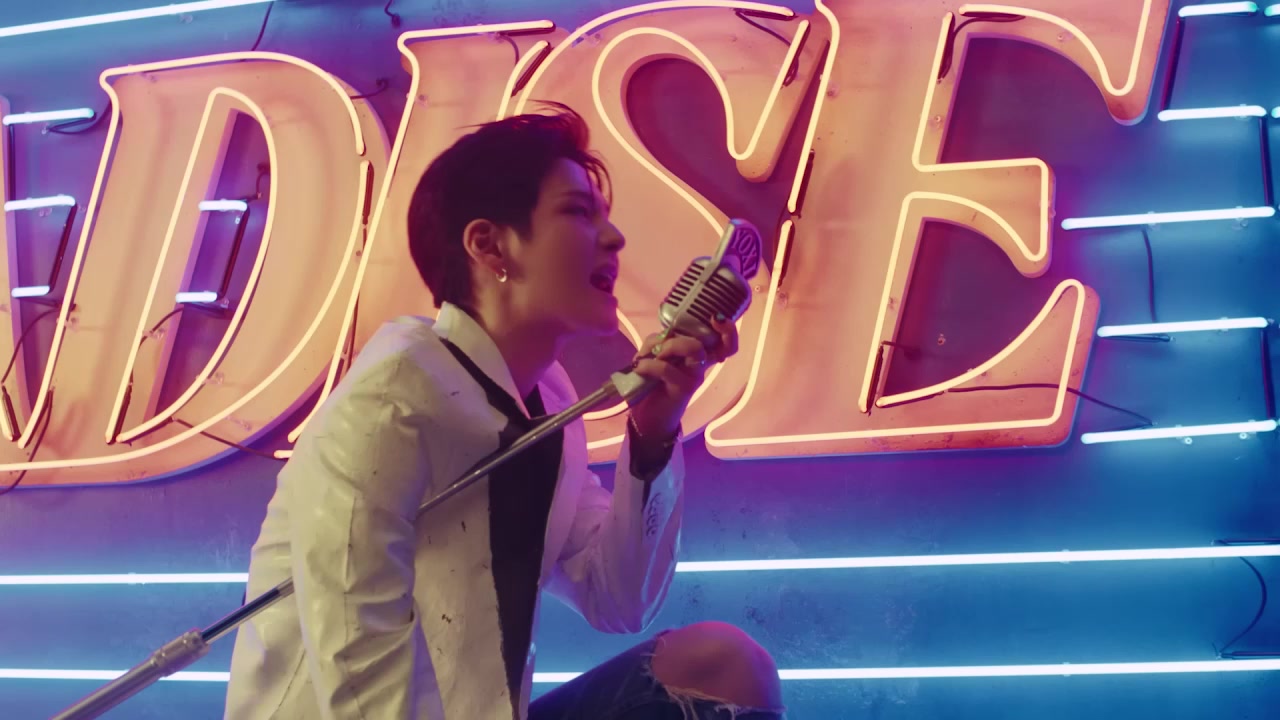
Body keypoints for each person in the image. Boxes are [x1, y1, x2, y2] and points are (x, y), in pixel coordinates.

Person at [224, 103, 784, 719]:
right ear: (489, 246)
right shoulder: (390, 401)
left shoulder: (550, 403)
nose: (614, 238)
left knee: (724, 665)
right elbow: (358, 661)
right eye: (578, 212)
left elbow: (618, 598)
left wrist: (654, 436)